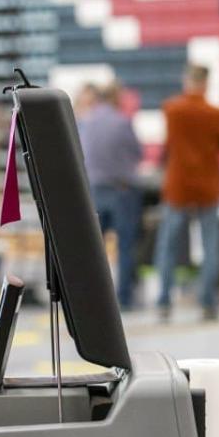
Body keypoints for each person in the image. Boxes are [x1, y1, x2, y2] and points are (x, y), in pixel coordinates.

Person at [155, 64, 219, 321]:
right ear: (206, 83)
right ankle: (208, 303)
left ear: (186, 80)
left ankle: (164, 301)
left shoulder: (172, 109)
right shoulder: (217, 114)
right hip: (208, 185)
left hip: (178, 185)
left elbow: (168, 145)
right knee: (210, 245)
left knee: (169, 246)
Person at [78, 82, 144, 309]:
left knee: (94, 248)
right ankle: (124, 298)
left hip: (94, 190)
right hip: (121, 190)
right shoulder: (122, 122)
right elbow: (137, 153)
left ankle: (90, 298)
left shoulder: (86, 123)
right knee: (125, 246)